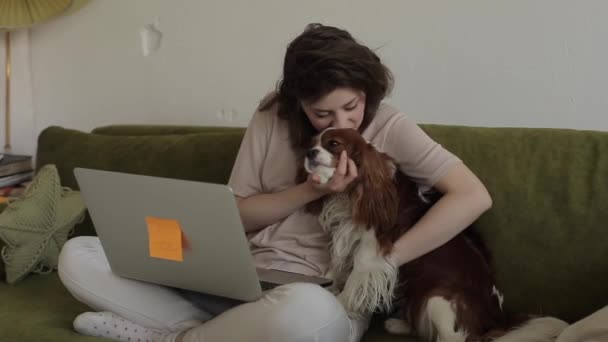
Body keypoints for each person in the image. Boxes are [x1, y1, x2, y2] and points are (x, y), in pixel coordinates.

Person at [57, 23, 492, 342]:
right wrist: (311, 190)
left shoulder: (391, 127)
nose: (339, 123)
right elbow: (235, 215)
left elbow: (473, 196)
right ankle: (204, 329)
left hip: (315, 295)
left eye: (352, 106)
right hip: (238, 279)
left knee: (304, 314)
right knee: (79, 254)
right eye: (322, 114)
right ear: (297, 103)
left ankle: (175, 337)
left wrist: (388, 258)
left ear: (367, 92)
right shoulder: (271, 118)